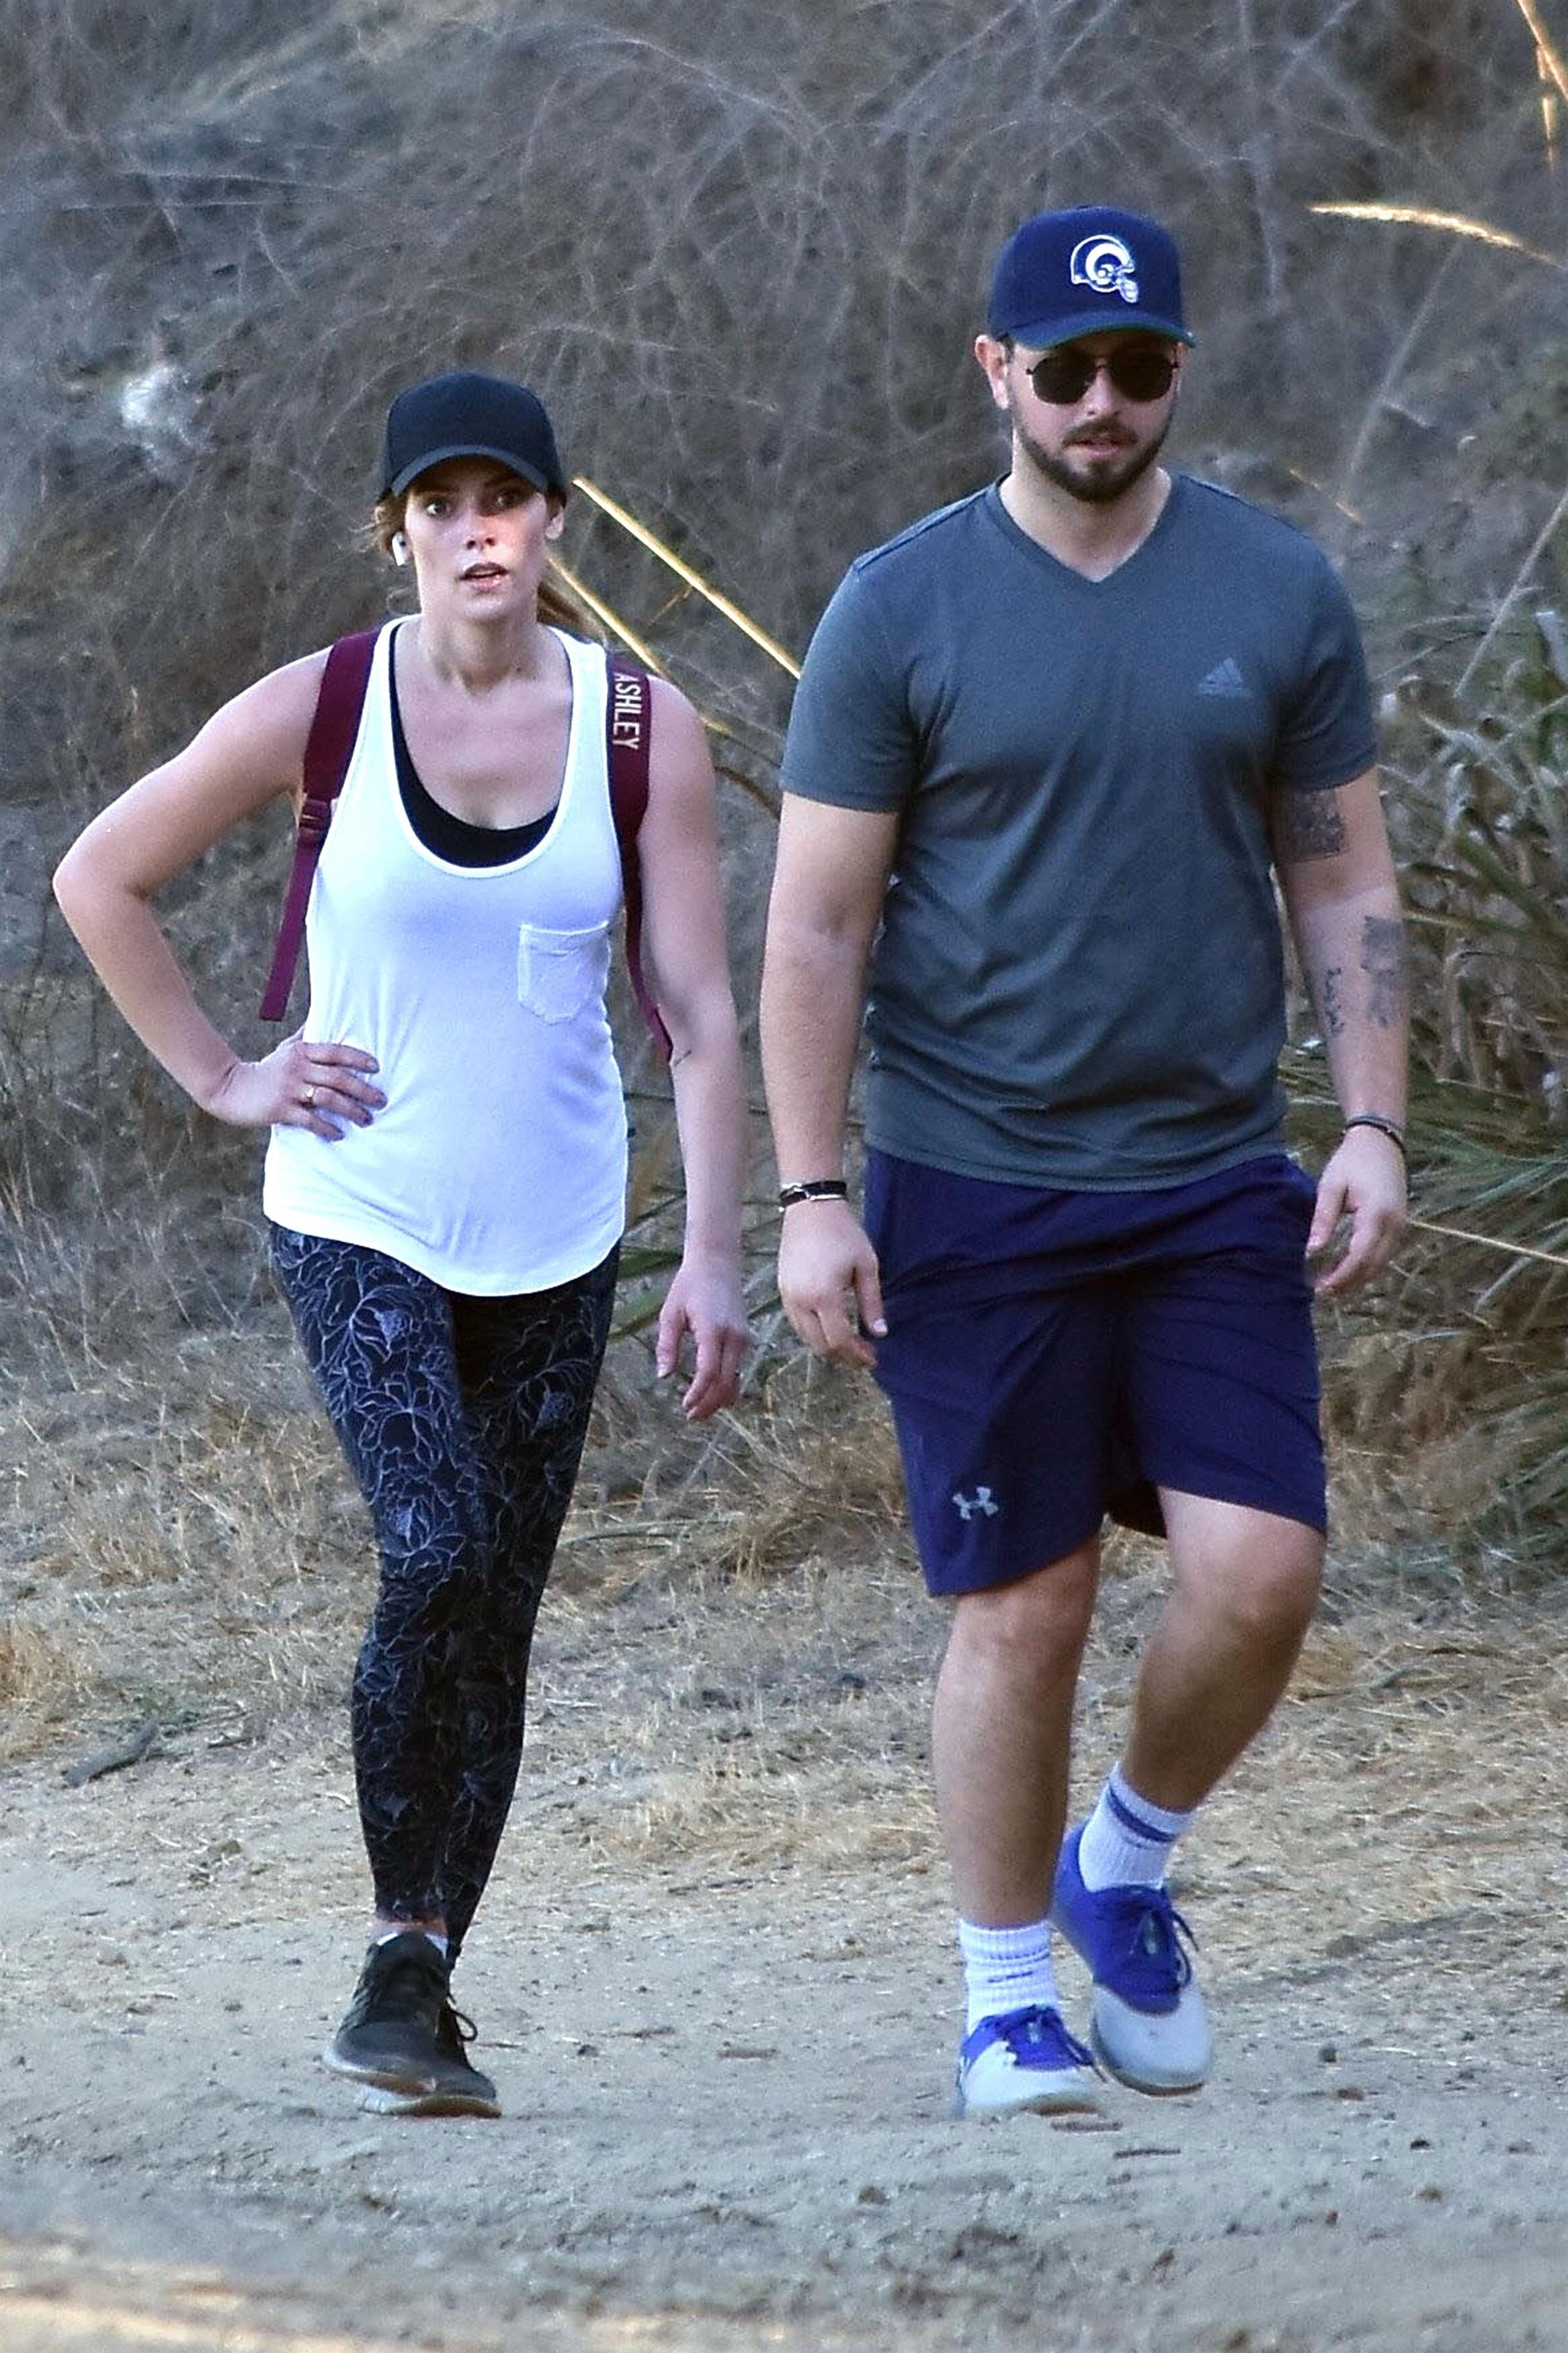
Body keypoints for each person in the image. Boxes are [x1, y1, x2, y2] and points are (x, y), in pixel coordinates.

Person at [759, 207, 1407, 2118]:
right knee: (1022, 1600)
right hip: (973, 1175)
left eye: (1138, 368)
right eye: (1066, 369)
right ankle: (998, 1999)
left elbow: (1344, 871)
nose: (1102, 402)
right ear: (997, 373)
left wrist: (1369, 1114)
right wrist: (809, 1195)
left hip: (1213, 1173)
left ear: (1177, 372)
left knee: (1263, 1570)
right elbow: (812, 928)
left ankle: (1119, 1867)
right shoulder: (901, 608)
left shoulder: (1275, 591)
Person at [54, 368, 749, 2118]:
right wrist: (225, 1071)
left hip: (563, 1225)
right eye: (439, 505)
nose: (476, 529)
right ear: (400, 535)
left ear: (554, 525)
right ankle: (387, 1934)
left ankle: (422, 1976)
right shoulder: (326, 706)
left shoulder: (643, 729)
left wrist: (721, 1251)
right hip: (357, 1205)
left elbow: (703, 1010)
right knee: (434, 1539)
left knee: (500, 1607)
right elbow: (97, 875)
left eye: (503, 498)